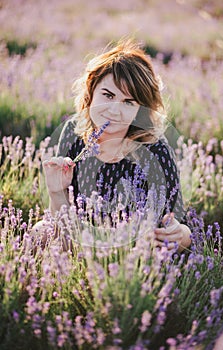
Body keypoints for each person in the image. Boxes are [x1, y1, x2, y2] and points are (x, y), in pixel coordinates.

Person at [38, 40, 191, 252]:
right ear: (91, 92)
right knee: (40, 231)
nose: (114, 110)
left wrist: (178, 234)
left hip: (132, 250)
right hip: (80, 239)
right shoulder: (74, 132)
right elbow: (60, 220)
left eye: (128, 102)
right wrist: (56, 191)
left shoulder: (155, 149)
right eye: (108, 95)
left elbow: (178, 227)